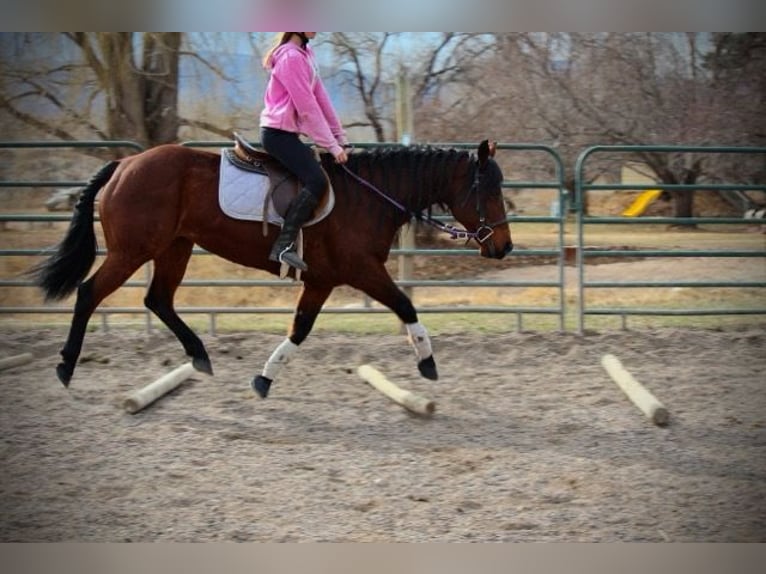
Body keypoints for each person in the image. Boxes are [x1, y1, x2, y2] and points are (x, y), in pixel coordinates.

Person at [259, 32, 349, 271]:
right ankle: (283, 246)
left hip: (288, 134)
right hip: (277, 135)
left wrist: (340, 136)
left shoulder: (306, 54)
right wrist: (330, 144)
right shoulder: (291, 57)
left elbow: (321, 99)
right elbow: (307, 108)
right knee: (317, 181)